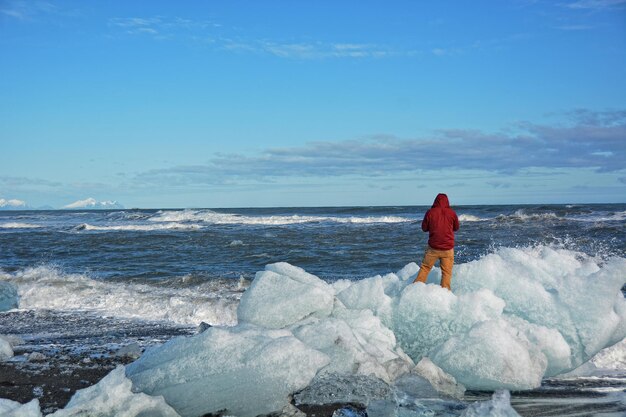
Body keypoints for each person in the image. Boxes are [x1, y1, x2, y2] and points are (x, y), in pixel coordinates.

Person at [413, 193, 459, 290]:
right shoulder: (452, 213)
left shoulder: (430, 212)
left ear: (435, 201)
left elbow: (424, 228)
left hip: (433, 248)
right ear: (447, 201)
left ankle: (415, 290)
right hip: (448, 249)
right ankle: (445, 295)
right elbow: (456, 228)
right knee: (446, 273)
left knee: (425, 268)